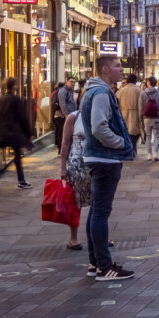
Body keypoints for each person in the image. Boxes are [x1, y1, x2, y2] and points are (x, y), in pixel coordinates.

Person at [81, 55, 135, 281]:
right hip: (105, 159)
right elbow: (99, 127)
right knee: (101, 213)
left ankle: (95, 263)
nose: (121, 69)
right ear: (105, 69)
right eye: (117, 66)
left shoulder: (92, 91)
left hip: (97, 157)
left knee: (96, 211)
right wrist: (121, 143)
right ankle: (104, 266)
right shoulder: (102, 93)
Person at [57, 88, 90, 251]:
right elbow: (65, 143)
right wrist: (63, 167)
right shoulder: (73, 117)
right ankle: (73, 238)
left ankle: (99, 236)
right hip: (76, 165)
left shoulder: (99, 117)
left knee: (99, 203)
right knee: (74, 202)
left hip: (95, 164)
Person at [0, 77, 33, 190]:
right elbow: (23, 118)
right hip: (13, 133)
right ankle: (15, 179)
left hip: (2, 132)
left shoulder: (0, 99)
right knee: (17, 156)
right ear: (14, 86)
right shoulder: (16, 99)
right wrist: (29, 133)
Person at [116, 73, 144, 151]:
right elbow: (142, 105)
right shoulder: (139, 90)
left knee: (126, 132)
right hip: (136, 115)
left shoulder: (121, 91)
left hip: (123, 114)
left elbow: (117, 104)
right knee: (135, 134)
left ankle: (129, 149)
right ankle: (133, 148)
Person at [140, 76, 159, 162]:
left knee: (148, 136)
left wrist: (140, 118)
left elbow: (141, 107)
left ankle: (149, 154)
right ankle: (155, 153)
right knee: (157, 135)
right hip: (157, 117)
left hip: (146, 118)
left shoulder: (143, 93)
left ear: (148, 83)